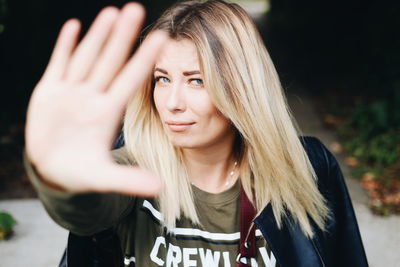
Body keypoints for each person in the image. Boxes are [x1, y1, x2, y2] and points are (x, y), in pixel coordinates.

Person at [23, 0, 368, 266]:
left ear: (241, 88)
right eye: (162, 78)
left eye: (196, 80)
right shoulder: (133, 168)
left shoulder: (307, 166)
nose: (172, 102)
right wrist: (60, 181)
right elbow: (82, 210)